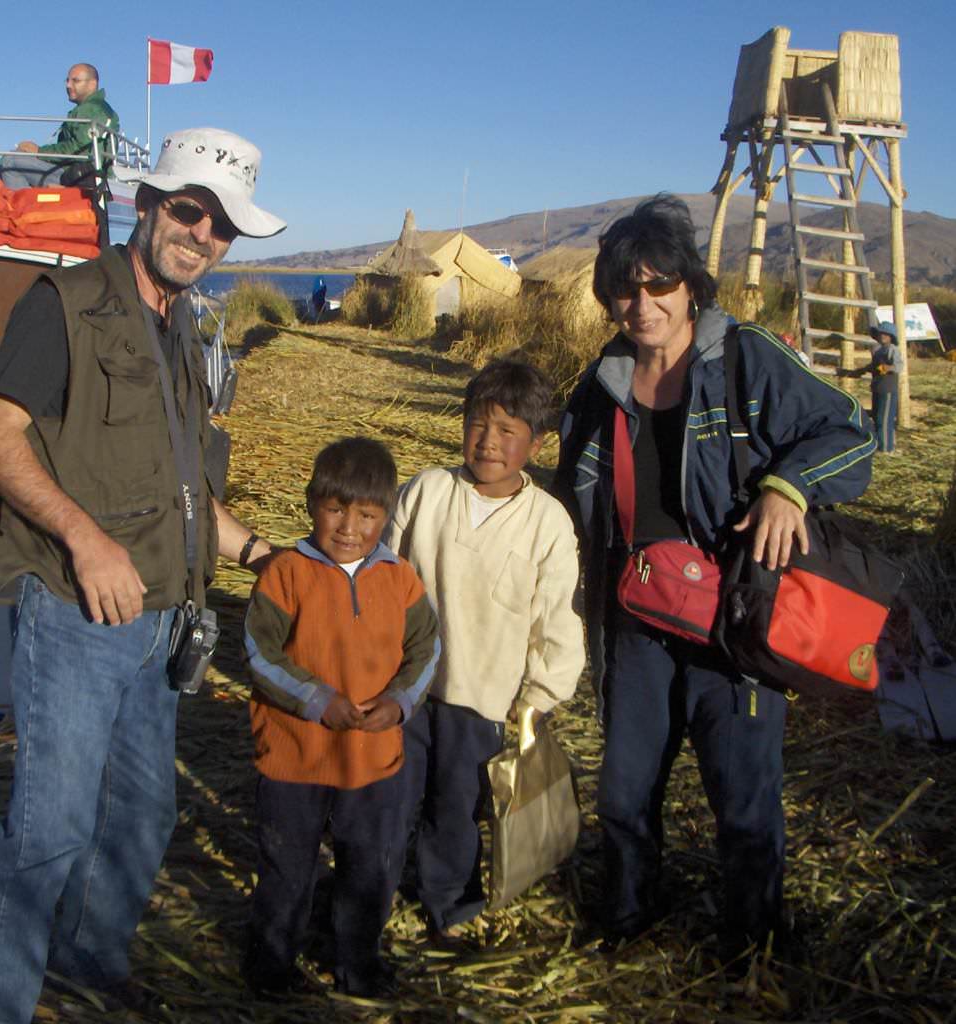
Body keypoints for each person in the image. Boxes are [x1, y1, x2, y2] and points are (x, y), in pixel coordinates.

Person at [0, 127, 287, 1024]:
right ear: (146, 205)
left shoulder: (179, 328)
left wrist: (262, 555)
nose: (202, 235)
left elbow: (181, 492)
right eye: (187, 211)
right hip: (76, 616)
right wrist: (86, 541)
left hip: (165, 620)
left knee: (142, 811)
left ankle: (88, 959)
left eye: (220, 227)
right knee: (48, 829)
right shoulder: (68, 302)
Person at [552, 195, 875, 961]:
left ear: (689, 287)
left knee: (743, 798)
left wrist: (785, 487)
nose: (641, 304)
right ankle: (629, 917)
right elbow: (568, 498)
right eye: (624, 290)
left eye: (657, 285)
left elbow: (849, 431)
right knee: (624, 793)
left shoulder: (744, 360)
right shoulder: (600, 387)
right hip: (635, 624)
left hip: (733, 622)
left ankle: (751, 941)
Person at [387, 358, 585, 947]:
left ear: (537, 442)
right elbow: (380, 577)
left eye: (507, 431)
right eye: (478, 424)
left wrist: (540, 697)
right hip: (408, 686)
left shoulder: (547, 522)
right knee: (392, 796)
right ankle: (373, 888)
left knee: (458, 805)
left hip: (485, 698)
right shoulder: (426, 491)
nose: (488, 442)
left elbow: (557, 619)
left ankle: (449, 905)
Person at [243, 436, 440, 998]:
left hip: (373, 759)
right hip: (294, 755)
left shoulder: (400, 579)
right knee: (286, 866)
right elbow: (260, 654)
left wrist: (400, 703)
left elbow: (427, 649)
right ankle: (271, 965)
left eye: (367, 515)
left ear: (386, 516)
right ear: (312, 504)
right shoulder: (285, 573)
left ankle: (357, 960)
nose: (349, 527)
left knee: (370, 865)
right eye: (335, 509)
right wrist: (315, 700)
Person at [0, 64, 120, 190]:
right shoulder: (102, 109)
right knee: (19, 156)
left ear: (92, 84)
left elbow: (81, 149)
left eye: (75, 81)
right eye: (67, 81)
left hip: (77, 176)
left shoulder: (91, 109)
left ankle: (25, 208)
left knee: (9, 162)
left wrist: (39, 152)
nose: (68, 85)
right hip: (83, 173)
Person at [866, 321, 903, 454]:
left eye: (886, 334)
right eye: (881, 333)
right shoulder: (878, 351)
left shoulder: (893, 350)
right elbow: (873, 367)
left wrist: (889, 368)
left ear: (891, 337)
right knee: (876, 418)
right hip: (877, 388)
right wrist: (861, 370)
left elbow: (899, 366)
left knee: (885, 420)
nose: (882, 336)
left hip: (887, 389)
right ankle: (878, 445)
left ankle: (887, 449)